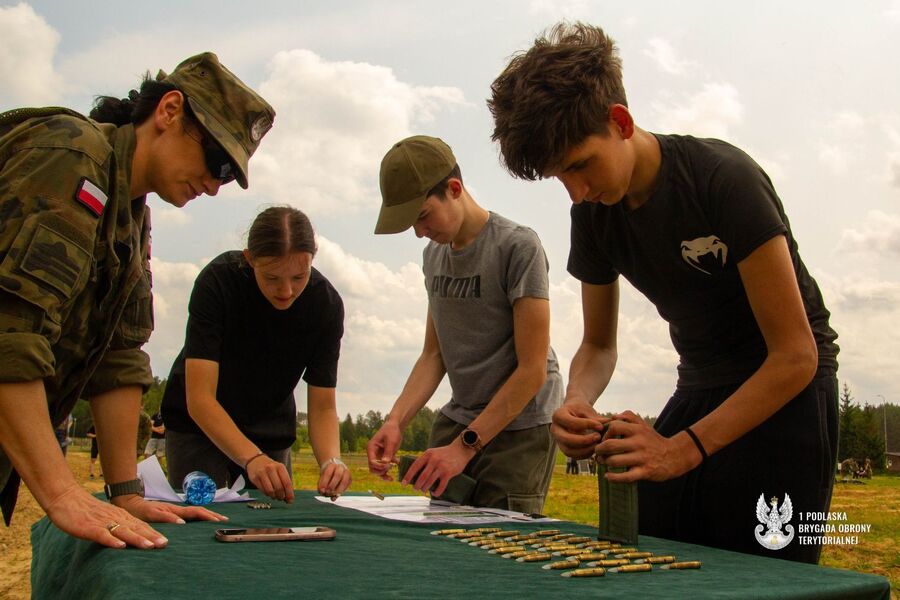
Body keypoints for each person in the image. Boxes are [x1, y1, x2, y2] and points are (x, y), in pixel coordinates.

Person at [488, 23, 839, 563]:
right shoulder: (593, 214)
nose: (577, 193)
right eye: (561, 177)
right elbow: (599, 346)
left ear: (621, 122)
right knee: (649, 539)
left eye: (580, 164)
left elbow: (796, 355)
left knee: (768, 568)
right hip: (699, 380)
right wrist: (577, 400)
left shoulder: (723, 178)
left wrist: (681, 449)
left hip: (789, 390)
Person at [0, 52, 275, 549]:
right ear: (169, 111)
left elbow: (119, 358)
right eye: (216, 162)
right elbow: (8, 330)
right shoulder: (73, 155)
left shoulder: (130, 214)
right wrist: (62, 491)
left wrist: (125, 492)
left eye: (228, 177)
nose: (214, 187)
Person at [366, 136, 563, 514]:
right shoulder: (433, 256)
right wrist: (395, 421)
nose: (419, 232)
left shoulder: (518, 247)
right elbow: (433, 354)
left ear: (454, 189)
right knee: (444, 538)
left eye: (423, 216)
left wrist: (464, 448)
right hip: (462, 418)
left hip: (520, 427)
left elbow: (532, 370)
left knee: (499, 544)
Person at [161, 206, 350, 503]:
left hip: (269, 428)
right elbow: (200, 398)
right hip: (198, 428)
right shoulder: (218, 282)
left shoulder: (325, 305)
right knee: (201, 517)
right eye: (272, 278)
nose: (286, 291)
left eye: (299, 277)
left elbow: (324, 406)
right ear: (249, 259)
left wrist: (331, 461)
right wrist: (251, 458)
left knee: (271, 521)